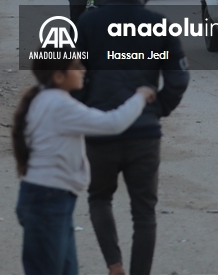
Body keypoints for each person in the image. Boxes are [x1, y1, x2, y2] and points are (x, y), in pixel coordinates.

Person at [76, 0, 191, 275]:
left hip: (100, 132)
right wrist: (159, 109)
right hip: (144, 134)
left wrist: (87, 109)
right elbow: (179, 77)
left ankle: (115, 266)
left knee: (99, 199)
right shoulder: (158, 24)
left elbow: (74, 74)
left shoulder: (88, 23)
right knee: (145, 213)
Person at [13, 57, 156, 275]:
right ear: (59, 76)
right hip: (47, 202)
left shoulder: (44, 97)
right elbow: (113, 123)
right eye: (76, 67)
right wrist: (140, 96)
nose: (83, 71)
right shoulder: (60, 105)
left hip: (51, 200)